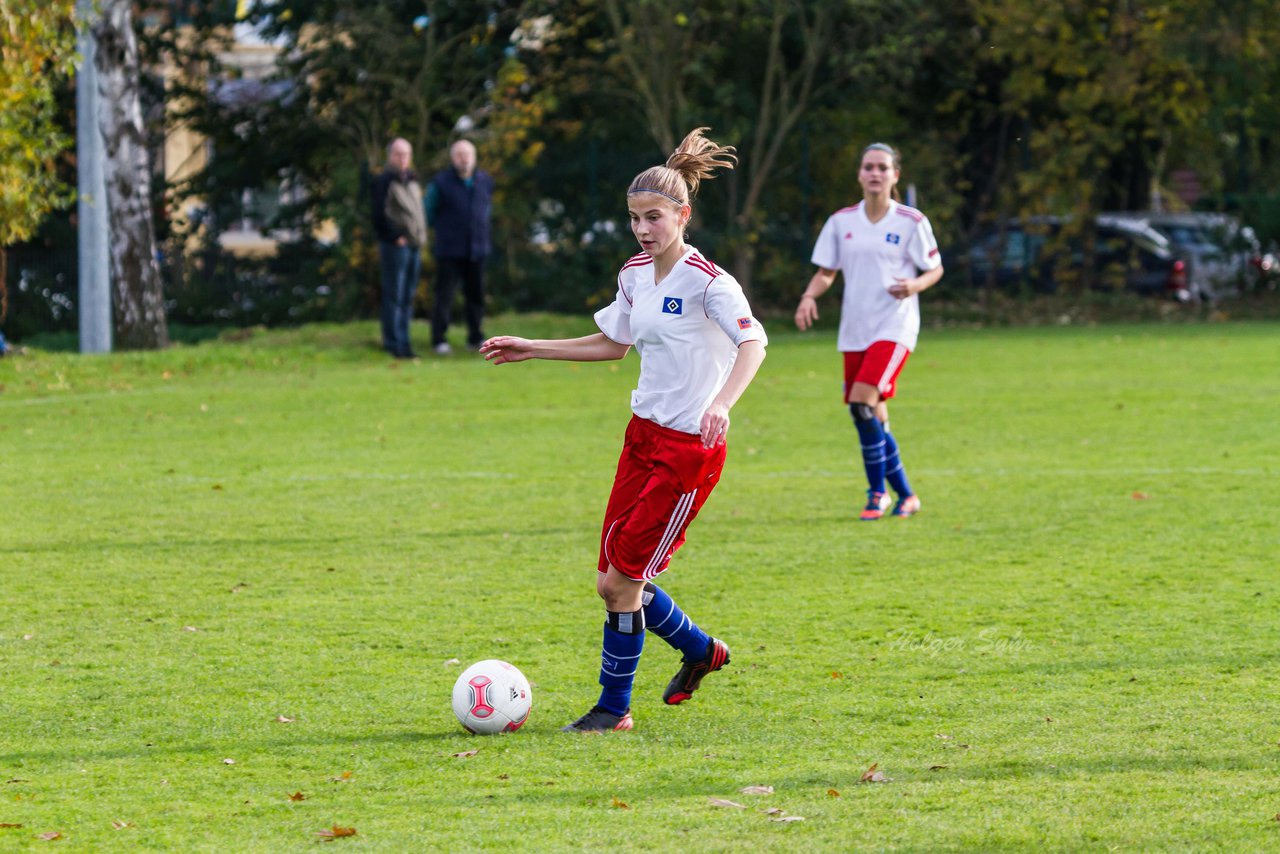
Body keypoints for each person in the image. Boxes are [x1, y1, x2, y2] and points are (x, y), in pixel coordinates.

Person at [480, 128, 767, 733]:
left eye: (654, 217)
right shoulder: (635, 274)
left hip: (691, 449)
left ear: (683, 215)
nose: (643, 228)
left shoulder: (709, 281)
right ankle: (700, 650)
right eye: (635, 218)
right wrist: (532, 347)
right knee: (613, 582)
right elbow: (614, 343)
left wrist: (723, 403)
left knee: (623, 581)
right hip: (641, 438)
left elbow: (754, 342)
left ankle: (614, 709)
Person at [794, 142, 943, 521]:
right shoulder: (841, 222)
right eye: (868, 167)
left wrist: (914, 286)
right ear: (859, 174)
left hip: (895, 324)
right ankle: (906, 495)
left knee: (860, 404)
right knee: (873, 416)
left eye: (882, 167)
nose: (875, 173)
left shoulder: (911, 221)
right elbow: (826, 271)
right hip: (855, 329)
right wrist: (809, 296)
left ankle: (877, 494)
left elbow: (935, 269)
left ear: (895, 175)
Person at [426, 139, 494, 354]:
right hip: (449, 250)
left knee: (476, 296)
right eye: (459, 154)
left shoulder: (484, 181)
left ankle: (475, 337)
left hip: (477, 249)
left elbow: (486, 211)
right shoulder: (440, 183)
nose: (464, 159)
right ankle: (439, 339)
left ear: (474, 157)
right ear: (452, 158)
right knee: (444, 296)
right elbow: (428, 213)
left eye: (467, 154)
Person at [370, 138, 427, 359]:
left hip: (415, 245)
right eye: (398, 154)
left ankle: (405, 342)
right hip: (396, 246)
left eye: (406, 154)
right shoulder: (383, 181)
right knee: (394, 295)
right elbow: (378, 215)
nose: (403, 158)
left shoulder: (412, 180)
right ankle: (393, 344)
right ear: (390, 156)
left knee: (408, 296)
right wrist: (395, 237)